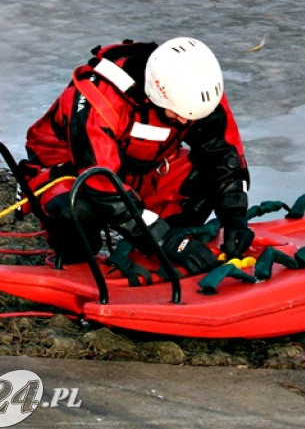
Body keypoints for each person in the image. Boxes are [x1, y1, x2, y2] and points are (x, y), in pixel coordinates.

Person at [19, 37, 254, 275]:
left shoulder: (196, 90)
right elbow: (101, 183)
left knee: (206, 177)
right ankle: (77, 265)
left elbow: (224, 155)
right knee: (72, 209)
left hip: (141, 169)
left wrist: (235, 217)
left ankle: (164, 250)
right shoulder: (100, 99)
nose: (186, 122)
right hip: (74, 174)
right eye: (180, 114)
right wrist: (163, 239)